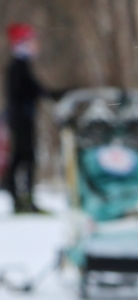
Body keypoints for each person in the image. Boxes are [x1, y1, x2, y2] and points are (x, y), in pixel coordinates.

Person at [5, 23, 57, 214]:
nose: (37, 46)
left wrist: (51, 94)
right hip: (21, 120)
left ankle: (23, 198)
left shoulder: (22, 66)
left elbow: (35, 88)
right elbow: (28, 89)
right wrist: (46, 94)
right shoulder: (17, 67)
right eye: (33, 41)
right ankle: (21, 199)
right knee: (24, 158)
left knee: (24, 158)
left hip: (23, 119)